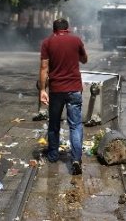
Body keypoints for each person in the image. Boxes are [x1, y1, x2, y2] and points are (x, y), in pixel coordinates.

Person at [38, 18, 88, 175]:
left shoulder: (47, 43)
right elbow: (84, 59)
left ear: (54, 30)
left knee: (54, 123)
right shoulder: (76, 40)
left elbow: (44, 68)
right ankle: (76, 159)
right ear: (68, 28)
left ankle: (53, 155)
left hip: (56, 89)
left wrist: (42, 90)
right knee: (75, 125)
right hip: (74, 89)